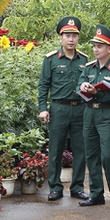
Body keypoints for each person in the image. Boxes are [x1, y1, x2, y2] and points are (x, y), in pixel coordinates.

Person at [38, 17, 89, 201]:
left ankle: (77, 187)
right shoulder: (51, 59)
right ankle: (55, 187)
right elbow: (43, 85)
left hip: (80, 109)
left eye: (74, 35)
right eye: (67, 35)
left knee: (80, 149)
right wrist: (43, 108)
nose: (71, 39)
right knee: (56, 150)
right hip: (59, 109)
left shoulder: (84, 59)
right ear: (61, 37)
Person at [77, 24, 110, 209]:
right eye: (94, 46)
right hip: (89, 113)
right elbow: (80, 83)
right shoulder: (88, 67)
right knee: (92, 155)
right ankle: (96, 194)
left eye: (100, 46)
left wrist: (97, 92)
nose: (96, 49)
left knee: (108, 156)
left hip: (106, 113)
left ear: (109, 48)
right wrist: (83, 88)